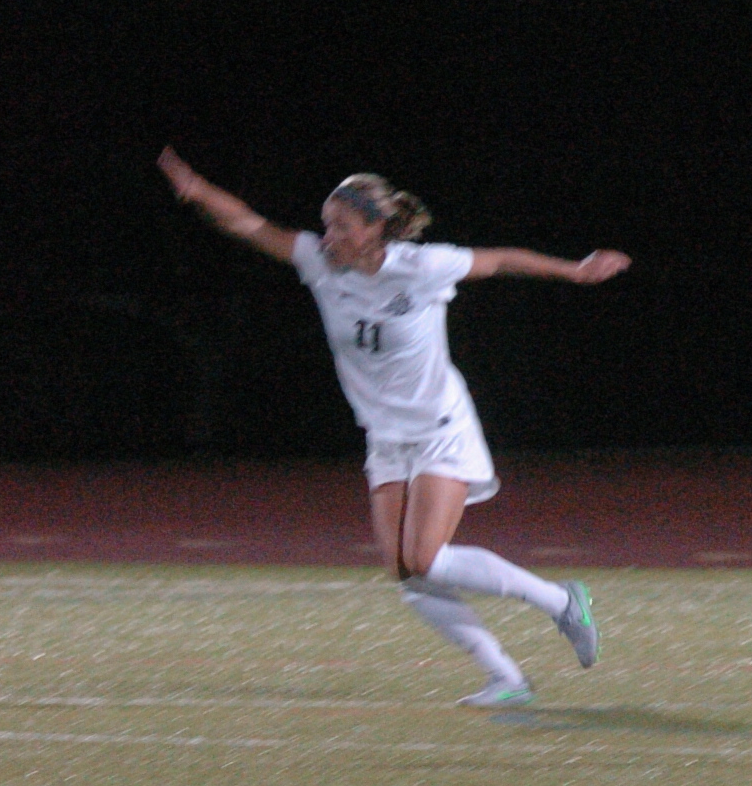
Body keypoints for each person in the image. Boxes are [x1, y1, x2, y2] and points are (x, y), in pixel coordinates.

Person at [159, 149, 629, 706]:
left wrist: (574, 270)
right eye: (326, 223)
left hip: (440, 428)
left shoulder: (421, 267)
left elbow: (501, 260)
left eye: (341, 225)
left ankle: (561, 602)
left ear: (375, 228)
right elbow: (249, 224)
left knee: (426, 558)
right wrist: (197, 189)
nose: (328, 235)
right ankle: (506, 677)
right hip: (385, 438)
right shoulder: (319, 263)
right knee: (407, 573)